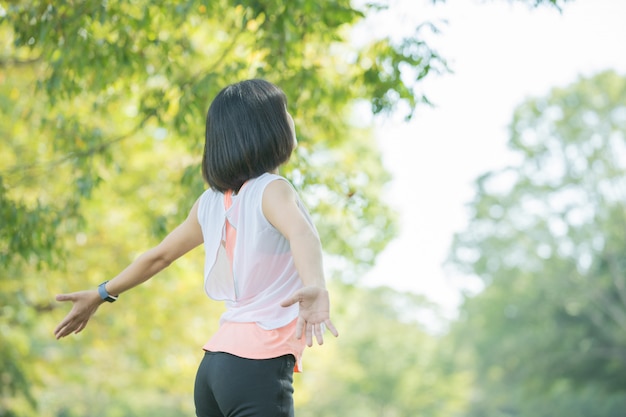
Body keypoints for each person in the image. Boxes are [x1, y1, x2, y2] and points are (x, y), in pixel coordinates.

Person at [54, 79, 339, 417]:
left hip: (213, 370)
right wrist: (315, 286)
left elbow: (158, 256)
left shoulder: (210, 202)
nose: (291, 119)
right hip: (256, 366)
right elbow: (303, 234)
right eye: (286, 111)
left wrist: (102, 293)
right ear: (268, 129)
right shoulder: (273, 189)